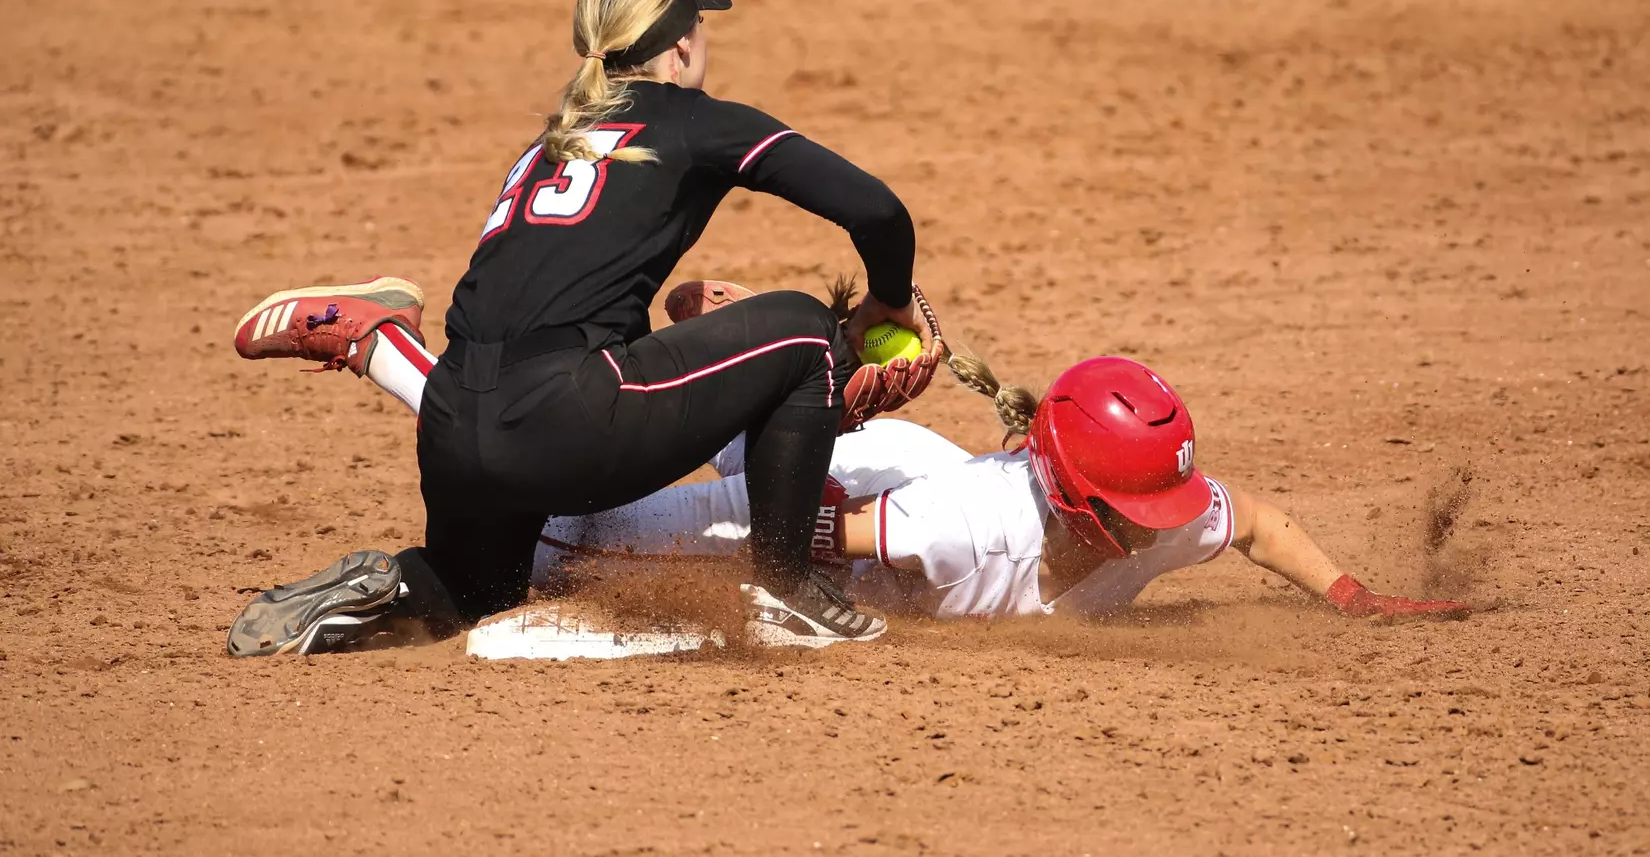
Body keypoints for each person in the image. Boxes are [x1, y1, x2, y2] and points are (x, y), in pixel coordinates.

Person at [224, 0, 945, 657]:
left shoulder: (552, 142)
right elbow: (878, 211)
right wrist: (886, 302)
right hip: (562, 424)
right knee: (804, 333)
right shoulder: (699, 122)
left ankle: (385, 588)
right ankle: (791, 595)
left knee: (476, 593)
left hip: (451, 428)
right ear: (682, 44)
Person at [243, 279, 1472, 625]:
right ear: (1073, 494)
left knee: (727, 448)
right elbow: (814, 538)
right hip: (871, 501)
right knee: (566, 527)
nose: (1163, 525)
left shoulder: (1163, 506)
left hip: (903, 466)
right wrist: (765, 496)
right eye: (1139, 507)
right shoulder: (980, 526)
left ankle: (734, 361)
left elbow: (1251, 520)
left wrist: (1352, 592)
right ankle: (382, 347)